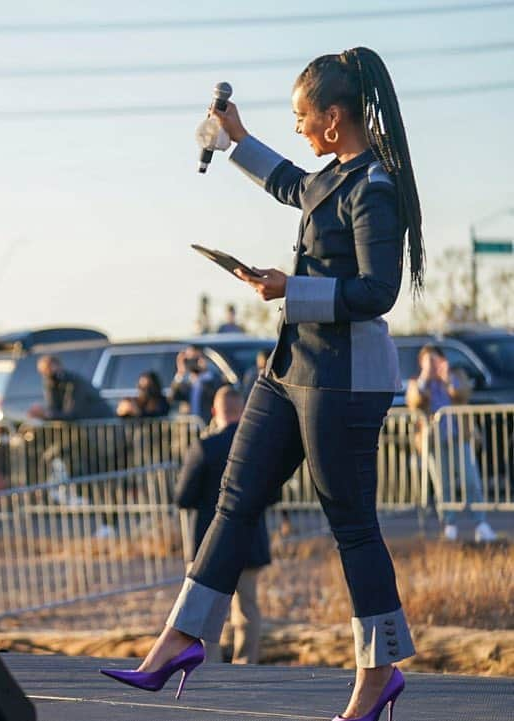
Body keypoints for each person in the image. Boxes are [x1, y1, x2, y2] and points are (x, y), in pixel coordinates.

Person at [101, 48, 422, 721]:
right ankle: (179, 638)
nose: (299, 128)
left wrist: (289, 288)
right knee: (233, 495)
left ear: (333, 119)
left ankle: (380, 668)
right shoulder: (332, 177)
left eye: (303, 118)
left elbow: (378, 291)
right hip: (289, 370)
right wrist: (236, 138)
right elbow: (289, 183)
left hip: (343, 381)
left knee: (351, 526)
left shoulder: (374, 189)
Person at [175, 388, 278, 664]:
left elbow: (183, 497)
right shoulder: (258, 449)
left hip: (210, 542)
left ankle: (209, 664)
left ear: (213, 411)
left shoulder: (205, 447)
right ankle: (247, 663)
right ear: (244, 411)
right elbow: (274, 495)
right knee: (247, 609)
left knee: (207, 610)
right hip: (249, 540)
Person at [405, 345, 497, 543]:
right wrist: (424, 379)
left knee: (472, 480)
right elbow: (414, 402)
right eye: (428, 360)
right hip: (434, 442)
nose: (432, 364)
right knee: (442, 485)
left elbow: (463, 394)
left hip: (458, 437)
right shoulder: (418, 383)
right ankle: (449, 525)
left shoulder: (456, 375)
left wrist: (447, 379)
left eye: (435, 359)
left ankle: (480, 524)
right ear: (421, 363)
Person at [28, 355, 113, 421]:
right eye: (43, 371)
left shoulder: (74, 382)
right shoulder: (50, 383)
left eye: (48, 369)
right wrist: (46, 414)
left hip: (99, 425)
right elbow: (53, 408)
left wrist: (46, 414)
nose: (46, 373)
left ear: (58, 366)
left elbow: (71, 414)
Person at [169, 346, 226, 424]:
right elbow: (174, 397)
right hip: (189, 426)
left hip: (207, 424)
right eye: (189, 359)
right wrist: (180, 372)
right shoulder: (186, 381)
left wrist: (204, 371)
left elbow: (214, 393)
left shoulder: (212, 379)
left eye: (195, 358)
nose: (192, 362)